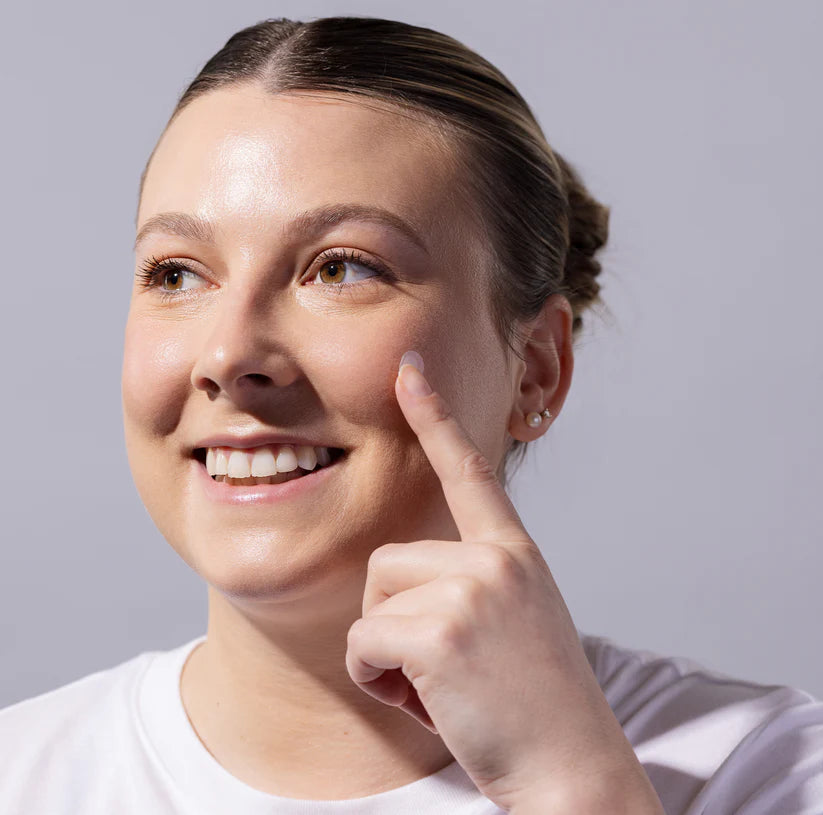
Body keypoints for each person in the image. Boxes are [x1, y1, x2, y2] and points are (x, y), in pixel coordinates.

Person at [1, 14, 821, 815]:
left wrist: (568, 785)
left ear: (536, 369)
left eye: (341, 268)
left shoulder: (764, 768)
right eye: (176, 274)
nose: (227, 354)